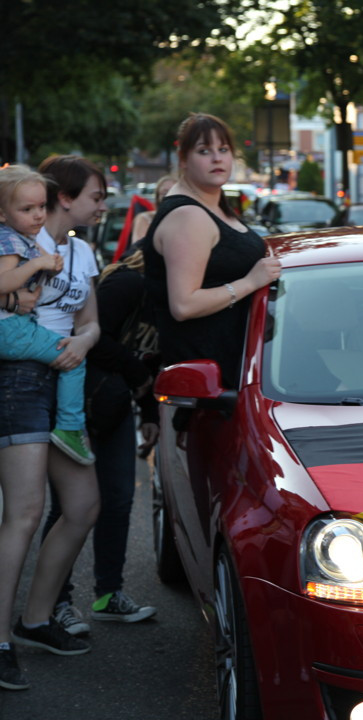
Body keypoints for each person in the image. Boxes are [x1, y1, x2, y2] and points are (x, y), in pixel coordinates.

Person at [0, 155, 106, 691]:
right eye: (94, 195)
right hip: (18, 379)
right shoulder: (12, 240)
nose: (103, 205)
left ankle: (35, 620)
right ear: (64, 197)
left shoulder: (82, 251)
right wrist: (17, 297)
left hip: (63, 378)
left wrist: (82, 342)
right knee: (23, 512)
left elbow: (89, 319)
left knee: (83, 505)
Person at [43, 244, 161, 635]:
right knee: (67, 508)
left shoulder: (174, 295)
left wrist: (149, 412)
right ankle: (55, 602)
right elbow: (93, 338)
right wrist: (137, 377)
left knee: (119, 499)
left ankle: (108, 595)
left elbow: (154, 358)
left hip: (116, 406)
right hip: (78, 402)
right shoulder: (129, 283)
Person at [143, 112, 281, 392]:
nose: (217, 159)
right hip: (212, 387)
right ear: (183, 159)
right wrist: (249, 283)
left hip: (244, 372)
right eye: (204, 151)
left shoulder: (212, 205)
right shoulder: (188, 216)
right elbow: (183, 305)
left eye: (223, 150)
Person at [0, 165, 94, 465]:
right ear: (3, 214)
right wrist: (37, 265)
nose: (39, 215)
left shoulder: (19, 236)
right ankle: (70, 427)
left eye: (41, 206)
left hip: (16, 326)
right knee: (73, 361)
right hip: (11, 330)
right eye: (27, 209)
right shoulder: (9, 241)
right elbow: (3, 281)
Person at [130, 174, 178, 243]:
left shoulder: (186, 220)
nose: (169, 196)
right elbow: (138, 249)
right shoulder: (145, 218)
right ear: (157, 197)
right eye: (165, 193)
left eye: (174, 192)